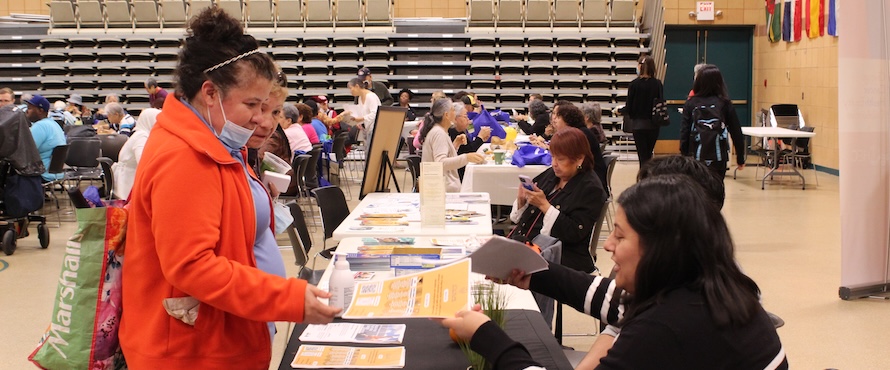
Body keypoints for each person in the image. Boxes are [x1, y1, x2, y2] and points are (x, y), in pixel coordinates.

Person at [119, 8, 339, 369]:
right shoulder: (184, 156)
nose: (260, 118)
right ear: (210, 93)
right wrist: (288, 297)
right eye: (251, 104)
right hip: (192, 353)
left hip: (216, 339)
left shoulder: (213, 144)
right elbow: (193, 266)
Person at [442, 175, 788, 370]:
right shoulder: (709, 288)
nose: (607, 246)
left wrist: (486, 335)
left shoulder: (665, 328)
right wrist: (534, 275)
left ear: (661, 247)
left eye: (620, 236)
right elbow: (612, 298)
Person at [507, 127, 606, 273]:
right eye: (552, 157)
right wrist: (522, 202)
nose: (554, 163)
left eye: (560, 159)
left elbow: (574, 232)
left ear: (579, 159)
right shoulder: (553, 175)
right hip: (528, 245)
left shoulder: (591, 189)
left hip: (561, 258)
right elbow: (520, 218)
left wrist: (544, 205)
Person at [680, 64, 746, 181]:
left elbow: (684, 131)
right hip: (718, 156)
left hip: (696, 155)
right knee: (717, 189)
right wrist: (740, 158)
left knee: (698, 190)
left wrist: (684, 154)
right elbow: (736, 132)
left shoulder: (691, 103)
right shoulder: (724, 103)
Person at [419, 98, 484, 192]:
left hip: (442, 186)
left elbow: (441, 157)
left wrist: (455, 146)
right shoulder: (439, 133)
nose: (455, 113)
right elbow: (441, 163)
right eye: (453, 110)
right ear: (446, 115)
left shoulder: (440, 131)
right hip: (442, 190)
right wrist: (466, 157)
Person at [549, 101, 608, 192]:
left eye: (558, 117)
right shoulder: (579, 132)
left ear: (567, 120)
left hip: (589, 183)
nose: (554, 120)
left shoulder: (579, 136)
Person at [624, 55, 664, 167]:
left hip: (638, 125)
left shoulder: (634, 84)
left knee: (642, 156)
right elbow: (660, 103)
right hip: (653, 125)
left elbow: (629, 107)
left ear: (640, 67)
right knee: (649, 154)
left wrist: (620, 111)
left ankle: (643, 178)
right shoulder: (657, 84)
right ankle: (649, 176)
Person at [111, 108, 159, 199]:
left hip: (126, 180)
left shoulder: (140, 134)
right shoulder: (142, 137)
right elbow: (143, 162)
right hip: (127, 184)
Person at [24, 95, 66, 182]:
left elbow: (25, 152)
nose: (26, 111)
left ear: (40, 111)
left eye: (30, 108)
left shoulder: (40, 126)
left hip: (41, 172)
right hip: (56, 172)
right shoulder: (53, 123)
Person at [448, 101, 490, 180]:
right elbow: (468, 152)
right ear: (455, 118)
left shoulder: (460, 130)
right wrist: (480, 138)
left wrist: (481, 139)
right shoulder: (452, 132)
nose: (468, 120)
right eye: (465, 116)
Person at [346, 77, 381, 144]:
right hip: (367, 129)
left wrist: (362, 118)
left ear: (357, 86)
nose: (350, 91)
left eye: (351, 88)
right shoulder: (359, 98)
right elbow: (362, 113)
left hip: (375, 129)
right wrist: (359, 122)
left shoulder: (371, 96)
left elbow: (376, 113)